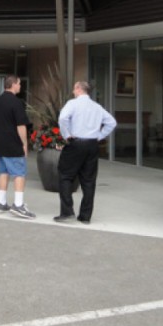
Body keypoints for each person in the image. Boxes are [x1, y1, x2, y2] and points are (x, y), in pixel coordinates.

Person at [54, 81, 117, 224]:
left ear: (78, 89)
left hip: (76, 143)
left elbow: (63, 118)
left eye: (74, 89)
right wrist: (99, 136)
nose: (73, 92)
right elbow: (112, 122)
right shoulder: (97, 107)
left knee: (65, 176)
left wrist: (66, 134)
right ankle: (85, 216)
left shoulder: (72, 103)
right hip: (92, 145)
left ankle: (67, 212)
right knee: (88, 181)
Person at [0, 74, 34, 219]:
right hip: (12, 143)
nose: (20, 86)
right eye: (19, 84)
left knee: (4, 172)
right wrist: (24, 144)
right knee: (19, 174)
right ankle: (18, 205)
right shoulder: (16, 102)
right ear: (13, 84)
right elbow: (21, 125)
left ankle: (2, 203)